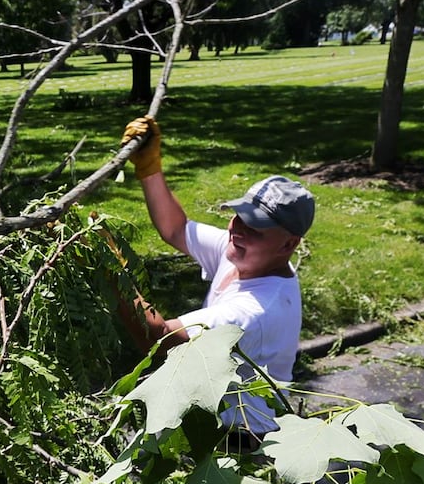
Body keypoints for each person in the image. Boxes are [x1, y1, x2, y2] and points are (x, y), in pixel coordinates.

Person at [117, 115, 315, 441]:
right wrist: (149, 168)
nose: (239, 230)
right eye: (240, 216)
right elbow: (176, 229)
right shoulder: (245, 254)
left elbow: (158, 339)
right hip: (213, 419)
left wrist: (113, 271)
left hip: (242, 443)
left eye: (257, 227)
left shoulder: (256, 311)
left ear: (289, 244)